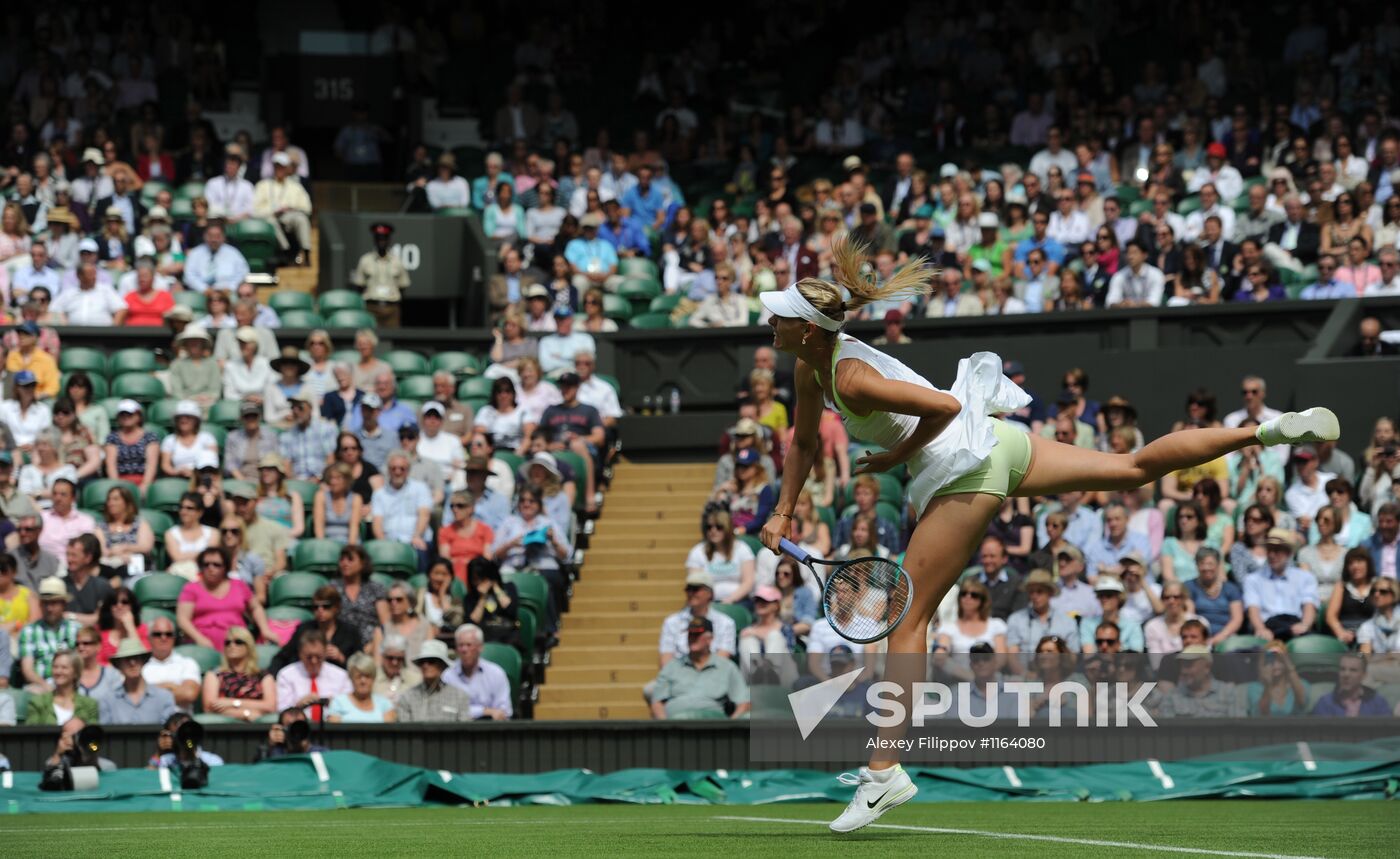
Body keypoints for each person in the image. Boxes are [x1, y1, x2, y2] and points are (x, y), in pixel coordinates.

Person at [754, 237, 1337, 831]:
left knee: (906, 622)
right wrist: (783, 510)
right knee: (1132, 469)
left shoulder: (848, 377)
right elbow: (801, 443)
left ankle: (883, 775)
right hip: (1000, 444)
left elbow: (943, 409)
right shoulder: (812, 368)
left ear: (808, 329)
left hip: (965, 464)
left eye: (780, 315)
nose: (769, 320)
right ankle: (1264, 434)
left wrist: (890, 458)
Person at [649, 616, 750, 720]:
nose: (692, 638)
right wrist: (665, 725)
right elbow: (657, 702)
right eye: (690, 634)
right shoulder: (672, 666)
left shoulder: (727, 667)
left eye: (697, 634)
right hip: (675, 724)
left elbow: (743, 702)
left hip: (712, 725)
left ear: (709, 639)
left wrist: (731, 728)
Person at [177, 546, 273, 650]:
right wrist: (199, 639)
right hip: (203, 648)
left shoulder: (239, 585)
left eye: (216, 565)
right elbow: (183, 619)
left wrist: (265, 630)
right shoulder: (191, 588)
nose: (211, 568)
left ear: (225, 567)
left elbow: (256, 608)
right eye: (206, 564)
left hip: (237, 644)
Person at [1245, 529, 1320, 642]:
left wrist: (1305, 625)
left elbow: (1309, 605)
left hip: (1295, 625)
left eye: (1277, 550)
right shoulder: (1253, 579)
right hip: (1268, 626)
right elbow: (1253, 608)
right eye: (1269, 550)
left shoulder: (1305, 577)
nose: (1272, 555)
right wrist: (1261, 629)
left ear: (1288, 552)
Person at [200, 624, 275, 721]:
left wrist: (232, 703)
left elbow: (270, 706)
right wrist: (246, 713)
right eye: (228, 643)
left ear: (249, 646)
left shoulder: (264, 676)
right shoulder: (214, 674)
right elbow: (210, 707)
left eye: (238, 642)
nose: (232, 646)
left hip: (258, 728)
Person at [275, 628, 353, 719]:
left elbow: (349, 709)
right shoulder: (286, 675)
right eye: (309, 657)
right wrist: (297, 706)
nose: (314, 661)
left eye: (318, 657)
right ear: (300, 653)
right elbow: (282, 710)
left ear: (325, 652)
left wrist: (335, 704)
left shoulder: (341, 676)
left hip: (332, 728)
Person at [19, 578, 80, 690]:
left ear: (64, 604)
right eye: (45, 603)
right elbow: (28, 670)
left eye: (54, 603)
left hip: (72, 685)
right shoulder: (29, 631)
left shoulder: (76, 629)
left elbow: (82, 664)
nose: (49, 608)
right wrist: (46, 687)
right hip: (40, 685)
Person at [396, 638, 473, 722]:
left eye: (431, 661)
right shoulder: (407, 697)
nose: (425, 665)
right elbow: (404, 731)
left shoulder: (459, 697)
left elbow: (465, 730)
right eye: (422, 662)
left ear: (442, 665)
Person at [351, 222, 410, 328]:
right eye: (378, 238)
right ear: (374, 240)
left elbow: (403, 286)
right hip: (371, 307)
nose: (381, 242)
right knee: (369, 339)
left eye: (384, 238)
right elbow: (359, 286)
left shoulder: (397, 261)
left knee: (392, 340)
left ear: (389, 240)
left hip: (391, 308)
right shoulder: (365, 260)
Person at [1184, 548, 1243, 647]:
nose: (1206, 568)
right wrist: (1202, 639)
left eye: (1210, 564)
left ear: (1218, 565)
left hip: (1226, 637)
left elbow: (1237, 619)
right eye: (1202, 563)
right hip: (1198, 637)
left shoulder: (1231, 588)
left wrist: (1219, 637)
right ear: (1197, 565)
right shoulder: (1189, 586)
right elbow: (1190, 616)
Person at [27, 649, 98, 725]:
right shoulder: (38, 703)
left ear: (75, 673)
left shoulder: (89, 705)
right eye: (55, 667)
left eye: (64, 667)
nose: (58, 671)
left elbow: (93, 734)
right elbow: (31, 734)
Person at [1324, 548, 1379, 646]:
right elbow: (1330, 617)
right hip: (1346, 634)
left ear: (1368, 564)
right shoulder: (1341, 586)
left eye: (1359, 561)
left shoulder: (1377, 586)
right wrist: (1341, 633)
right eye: (1350, 563)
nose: (1355, 566)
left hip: (1371, 635)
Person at [1310, 653, 1392, 717]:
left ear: (1364, 675)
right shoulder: (1325, 703)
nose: (1346, 675)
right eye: (1342, 669)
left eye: (1353, 670)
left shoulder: (1378, 703)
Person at [439, 491, 495, 581]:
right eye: (452, 506)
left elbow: (487, 558)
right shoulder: (445, 531)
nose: (455, 509)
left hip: (477, 573)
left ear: (471, 508)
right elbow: (445, 560)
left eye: (460, 506)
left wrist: (468, 563)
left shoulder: (485, 530)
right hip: (454, 574)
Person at [327, 652, 396, 723]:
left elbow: (389, 732)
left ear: (373, 678)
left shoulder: (385, 704)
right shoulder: (338, 702)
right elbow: (333, 731)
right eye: (359, 676)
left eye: (367, 676)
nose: (363, 681)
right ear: (351, 678)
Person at [374, 633, 422, 703]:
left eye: (399, 659)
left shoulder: (415, 679)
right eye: (390, 658)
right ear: (382, 656)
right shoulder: (372, 678)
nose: (395, 662)